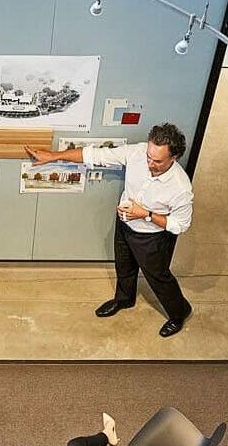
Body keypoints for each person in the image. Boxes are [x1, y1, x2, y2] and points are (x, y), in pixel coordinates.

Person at [24, 123, 195, 337]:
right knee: (124, 266)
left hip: (151, 237)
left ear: (174, 157)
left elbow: (181, 224)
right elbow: (94, 154)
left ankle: (179, 311)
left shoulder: (180, 188)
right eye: (149, 156)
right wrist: (54, 156)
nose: (150, 163)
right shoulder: (137, 152)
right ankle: (124, 299)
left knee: (157, 277)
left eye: (157, 161)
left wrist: (146, 214)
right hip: (124, 225)